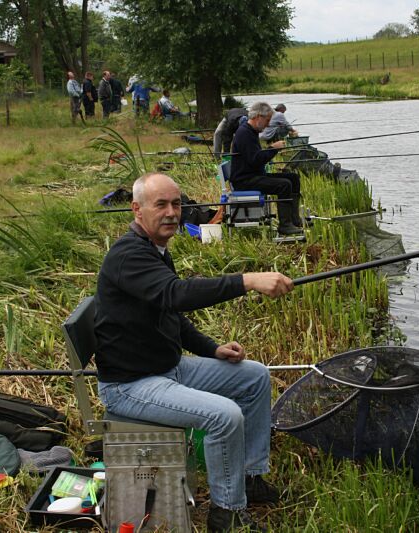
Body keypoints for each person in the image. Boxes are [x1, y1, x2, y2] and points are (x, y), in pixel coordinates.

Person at [95, 172, 293, 532]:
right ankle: (227, 514)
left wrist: (211, 348)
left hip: (166, 368)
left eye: (176, 203)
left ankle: (249, 476)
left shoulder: (155, 249)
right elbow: (177, 295)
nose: (172, 213)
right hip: (130, 385)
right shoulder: (128, 256)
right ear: (137, 209)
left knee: (254, 377)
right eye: (161, 205)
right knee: (225, 416)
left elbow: (170, 313)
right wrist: (248, 280)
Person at [229, 102, 303, 236]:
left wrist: (271, 150)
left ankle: (294, 220)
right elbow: (255, 160)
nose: (268, 124)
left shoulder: (251, 132)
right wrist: (273, 149)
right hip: (244, 181)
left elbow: (255, 158)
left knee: (293, 178)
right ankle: (285, 226)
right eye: (267, 120)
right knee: (284, 185)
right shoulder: (244, 133)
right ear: (258, 117)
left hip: (253, 175)